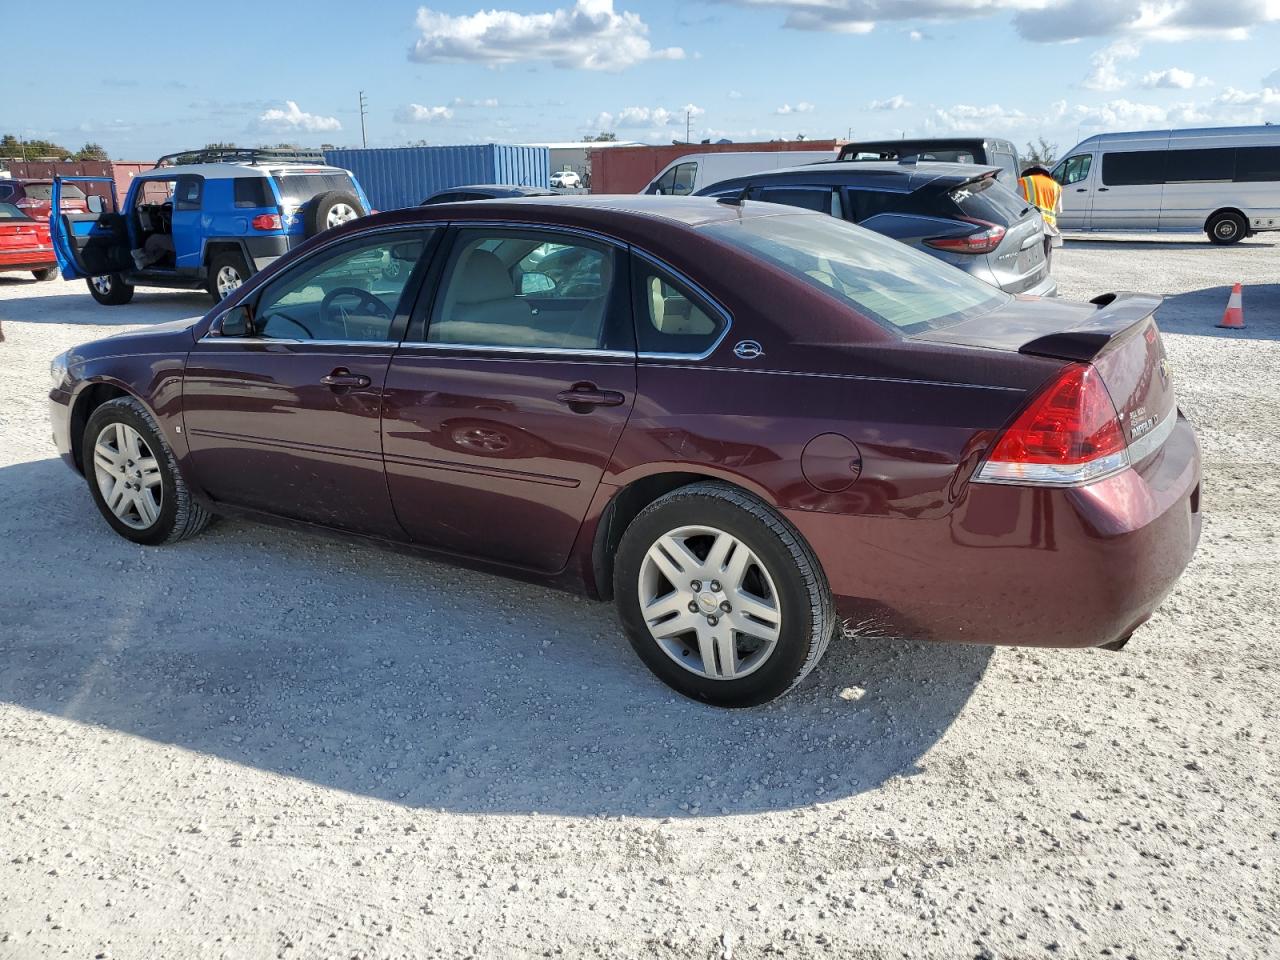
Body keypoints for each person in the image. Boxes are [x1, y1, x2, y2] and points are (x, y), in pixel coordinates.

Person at [1018, 164, 1063, 270]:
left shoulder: (1024, 181)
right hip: (1048, 228)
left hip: (1030, 226)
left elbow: (1016, 203)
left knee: (1028, 260)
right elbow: (1058, 210)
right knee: (1045, 257)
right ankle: (1045, 279)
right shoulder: (1056, 186)